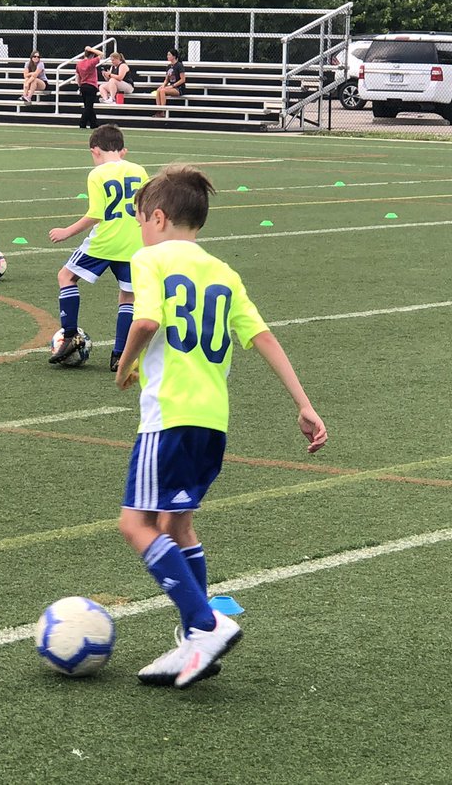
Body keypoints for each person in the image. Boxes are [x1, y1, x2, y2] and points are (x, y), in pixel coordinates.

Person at [113, 164, 327, 688]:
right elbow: (264, 339)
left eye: (141, 218)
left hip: (168, 418)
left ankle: (205, 625)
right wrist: (304, 403)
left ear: (157, 217)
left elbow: (145, 321)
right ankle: (194, 644)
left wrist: (125, 363)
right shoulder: (224, 273)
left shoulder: (149, 258)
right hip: (213, 421)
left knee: (135, 525)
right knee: (176, 524)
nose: (141, 228)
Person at [48, 124, 147, 371]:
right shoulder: (139, 170)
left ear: (95, 150)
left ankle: (70, 336)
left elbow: (96, 214)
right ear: (121, 149)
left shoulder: (97, 174)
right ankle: (120, 356)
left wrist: (66, 232)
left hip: (104, 242)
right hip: (134, 243)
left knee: (66, 276)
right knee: (128, 296)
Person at [74, 46, 104, 128]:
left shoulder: (79, 64)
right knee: (89, 107)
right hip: (91, 86)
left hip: (83, 86)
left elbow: (78, 76)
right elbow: (102, 54)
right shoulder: (91, 62)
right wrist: (91, 49)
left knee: (88, 106)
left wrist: (79, 86)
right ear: (91, 55)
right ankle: (82, 123)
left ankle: (93, 123)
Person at [153, 49, 186, 118]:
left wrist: (172, 86)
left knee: (163, 91)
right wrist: (163, 85)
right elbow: (167, 79)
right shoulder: (168, 66)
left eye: (169, 55)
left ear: (174, 56)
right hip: (172, 87)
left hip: (179, 88)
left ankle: (162, 111)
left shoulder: (179, 65)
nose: (167, 56)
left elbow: (183, 79)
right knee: (159, 90)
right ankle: (159, 110)